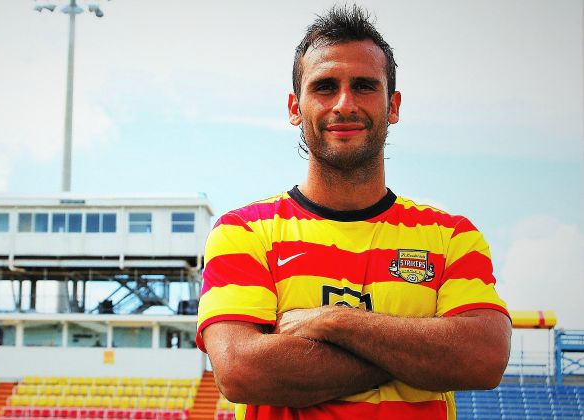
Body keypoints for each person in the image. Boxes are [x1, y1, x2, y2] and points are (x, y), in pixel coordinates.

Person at [196, 5, 511, 420]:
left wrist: (333, 322)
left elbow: (484, 357)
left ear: (392, 106)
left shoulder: (450, 235)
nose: (344, 104)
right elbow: (241, 371)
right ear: (295, 107)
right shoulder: (244, 232)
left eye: (364, 86)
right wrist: (419, 355)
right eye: (325, 87)